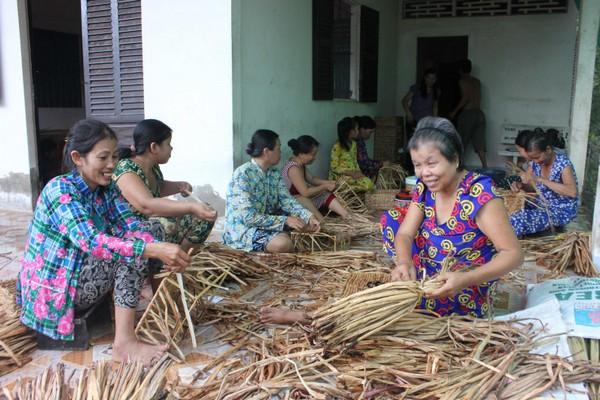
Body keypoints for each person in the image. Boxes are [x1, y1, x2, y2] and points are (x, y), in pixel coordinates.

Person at [262, 117, 522, 324]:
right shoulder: (424, 188)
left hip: (460, 283)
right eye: (417, 165)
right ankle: (319, 315)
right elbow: (405, 234)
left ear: (454, 158)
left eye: (432, 163)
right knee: (391, 228)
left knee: (394, 312)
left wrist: (464, 279)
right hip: (424, 271)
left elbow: (512, 254)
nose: (424, 173)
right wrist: (404, 262)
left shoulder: (479, 194)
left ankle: (314, 319)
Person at [16, 119, 191, 365]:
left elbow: (132, 224)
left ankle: (145, 308)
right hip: (55, 291)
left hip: (78, 273)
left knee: (151, 230)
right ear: (78, 158)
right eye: (103, 158)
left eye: (114, 157)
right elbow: (92, 242)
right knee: (133, 252)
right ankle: (124, 344)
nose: (112, 165)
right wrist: (151, 249)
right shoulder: (60, 191)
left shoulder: (105, 190)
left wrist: (162, 251)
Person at [112, 119, 217, 254]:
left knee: (203, 216)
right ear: (154, 147)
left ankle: (179, 261)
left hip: (147, 223)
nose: (171, 148)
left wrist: (179, 186)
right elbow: (147, 205)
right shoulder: (126, 168)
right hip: (127, 229)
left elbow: (157, 188)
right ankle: (169, 263)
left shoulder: (152, 167)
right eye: (168, 144)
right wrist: (191, 207)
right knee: (168, 224)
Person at [223, 129, 320, 253]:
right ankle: (282, 239)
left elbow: (287, 200)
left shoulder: (273, 173)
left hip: (267, 224)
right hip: (244, 230)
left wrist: (308, 216)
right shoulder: (242, 175)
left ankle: (283, 237)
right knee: (283, 244)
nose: (280, 152)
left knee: (303, 222)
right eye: (278, 148)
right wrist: (285, 221)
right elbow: (248, 217)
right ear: (266, 152)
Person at [509, 130, 578, 236]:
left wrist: (541, 179)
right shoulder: (536, 163)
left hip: (560, 210)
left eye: (537, 157)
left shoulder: (563, 164)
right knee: (507, 209)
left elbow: (572, 192)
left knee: (518, 219)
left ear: (548, 149)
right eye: (532, 158)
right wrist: (522, 186)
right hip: (541, 206)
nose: (535, 161)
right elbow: (533, 188)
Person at [282, 135, 350, 220]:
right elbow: (305, 192)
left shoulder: (299, 163)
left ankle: (346, 215)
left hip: (300, 199)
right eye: (312, 155)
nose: (314, 158)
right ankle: (322, 222)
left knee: (324, 194)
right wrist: (324, 186)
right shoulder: (293, 168)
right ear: (301, 154)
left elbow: (312, 179)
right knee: (305, 199)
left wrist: (328, 183)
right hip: (291, 204)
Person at [450, 59, 487, 168]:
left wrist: (454, 112)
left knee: (461, 141)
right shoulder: (477, 81)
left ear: (460, 70)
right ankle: (485, 167)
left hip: (468, 113)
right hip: (479, 114)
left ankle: (457, 166)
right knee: (480, 143)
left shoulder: (462, 81)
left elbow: (466, 97)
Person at [329, 117, 374, 192]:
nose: (358, 131)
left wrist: (359, 173)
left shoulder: (354, 144)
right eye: (356, 129)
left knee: (369, 182)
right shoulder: (337, 146)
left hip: (353, 174)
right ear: (349, 132)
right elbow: (334, 167)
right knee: (367, 185)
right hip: (341, 177)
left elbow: (355, 161)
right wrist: (350, 173)